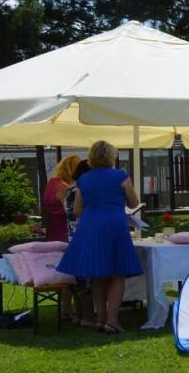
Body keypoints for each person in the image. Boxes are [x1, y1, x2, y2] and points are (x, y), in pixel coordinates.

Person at [55, 141, 143, 334]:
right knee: (118, 273)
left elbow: (77, 211)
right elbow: (134, 202)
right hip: (114, 224)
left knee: (98, 274)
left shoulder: (83, 180)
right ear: (111, 156)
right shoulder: (120, 176)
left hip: (90, 226)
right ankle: (112, 320)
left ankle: (100, 319)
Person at [43, 155, 81, 243]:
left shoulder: (52, 183)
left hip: (53, 231)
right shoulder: (64, 188)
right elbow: (72, 212)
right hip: (63, 233)